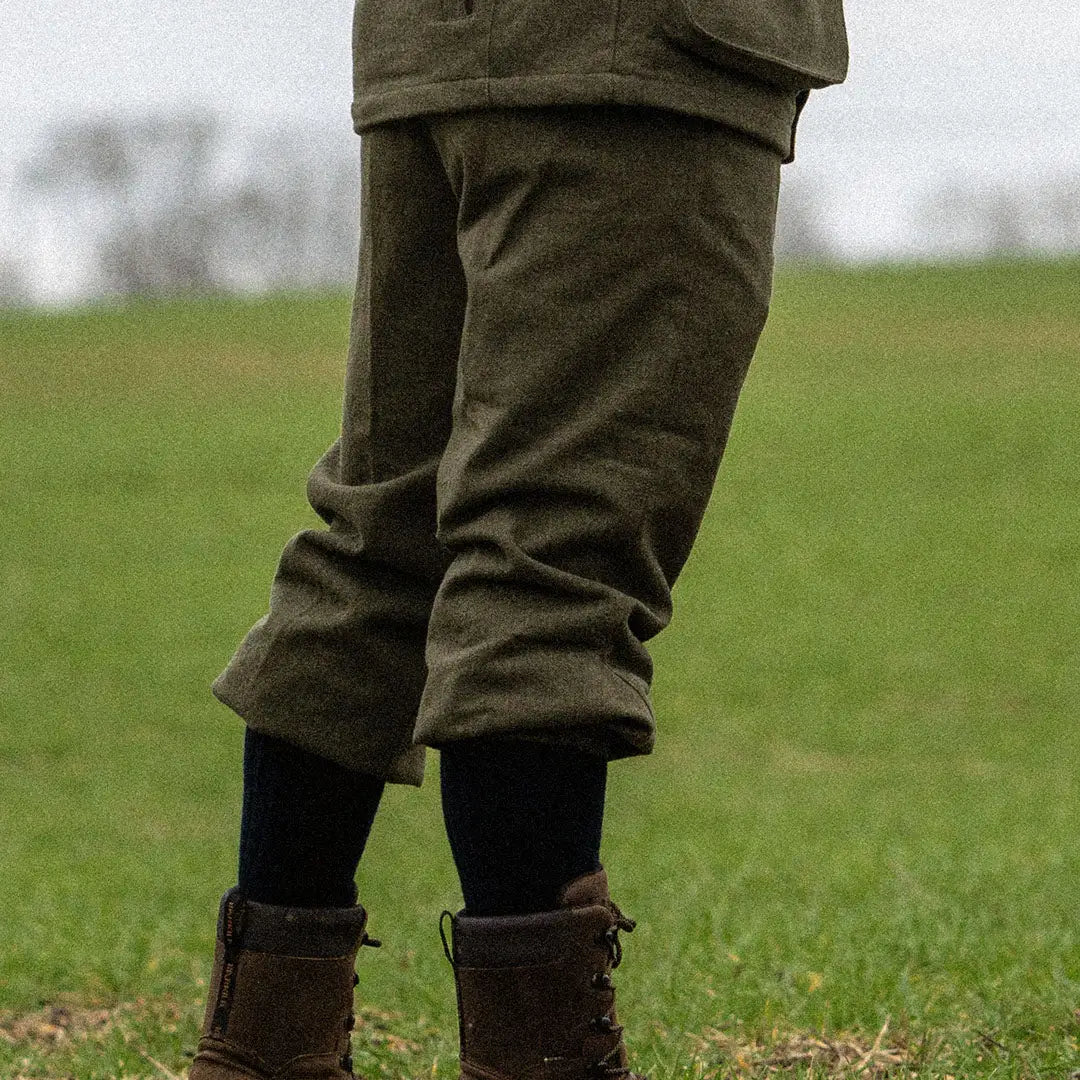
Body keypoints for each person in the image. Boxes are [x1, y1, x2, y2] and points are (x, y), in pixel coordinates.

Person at [188, 0, 848, 1076]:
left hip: (436, 46)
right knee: (551, 558)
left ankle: (263, 1053)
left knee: (384, 532)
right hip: (632, 54)